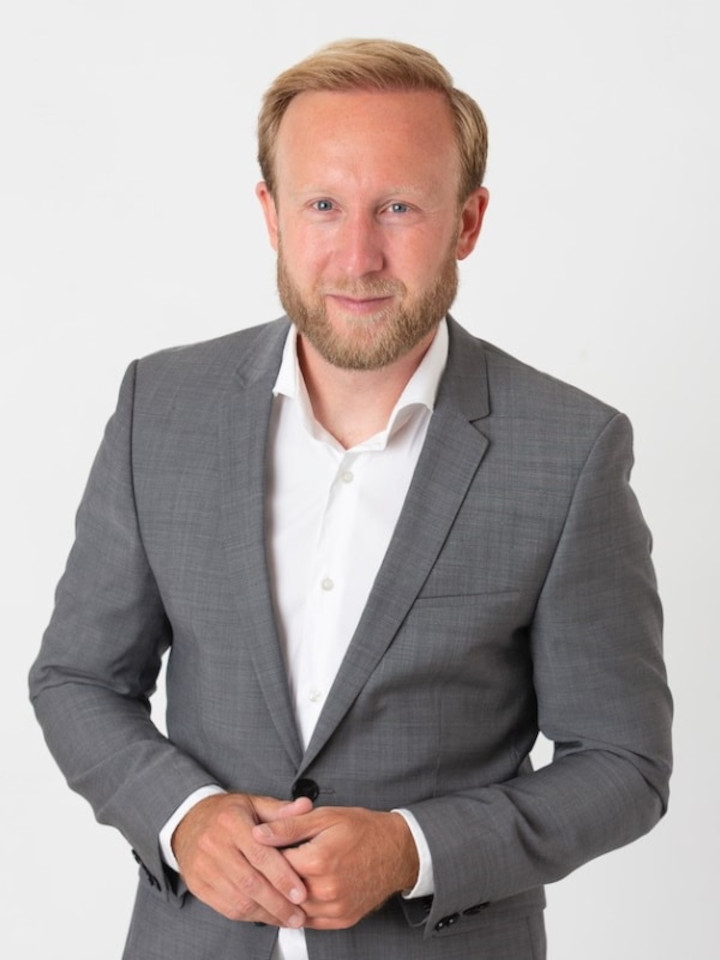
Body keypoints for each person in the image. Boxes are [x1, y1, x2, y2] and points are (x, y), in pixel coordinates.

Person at [29, 38, 672, 960]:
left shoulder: (569, 450)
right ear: (271, 215)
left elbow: (622, 764)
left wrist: (412, 849)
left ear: (468, 222)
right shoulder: (159, 408)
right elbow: (80, 679)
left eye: (399, 207)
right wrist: (183, 816)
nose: (358, 255)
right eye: (323, 205)